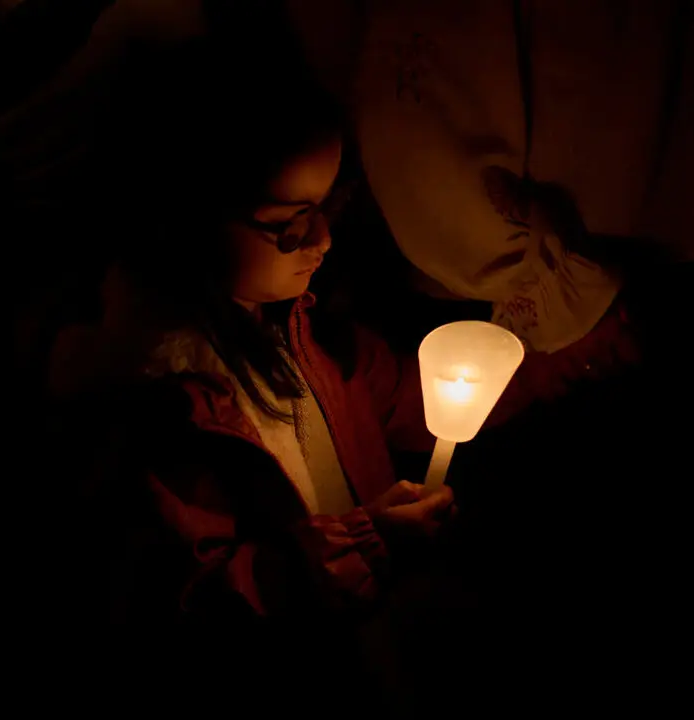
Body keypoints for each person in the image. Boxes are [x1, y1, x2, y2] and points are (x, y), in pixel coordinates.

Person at [46, 38, 489, 621]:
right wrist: (366, 545)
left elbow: (413, 391)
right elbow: (204, 603)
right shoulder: (154, 417)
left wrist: (591, 344)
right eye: (289, 224)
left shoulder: (305, 329)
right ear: (183, 219)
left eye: (330, 206)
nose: (323, 240)